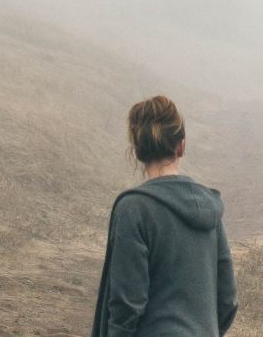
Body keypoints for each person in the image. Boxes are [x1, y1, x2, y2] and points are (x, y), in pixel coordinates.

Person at [91, 95, 238, 336]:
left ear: (138, 150)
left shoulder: (134, 208)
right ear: (181, 146)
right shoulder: (210, 208)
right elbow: (228, 300)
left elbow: (126, 304)